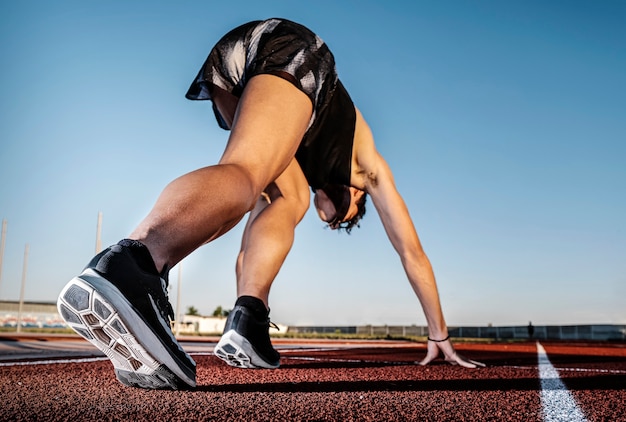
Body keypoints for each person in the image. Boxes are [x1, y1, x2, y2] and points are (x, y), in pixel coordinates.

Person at [57, 18, 483, 391]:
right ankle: (133, 264)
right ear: (356, 199)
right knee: (246, 174)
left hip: (236, 61)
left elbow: (248, 249)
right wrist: (439, 334)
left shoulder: (303, 172)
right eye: (343, 221)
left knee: (280, 197)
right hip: (293, 52)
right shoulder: (370, 171)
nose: (333, 222)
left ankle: (248, 319)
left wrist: (244, 297)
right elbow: (414, 254)